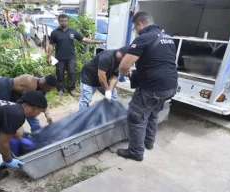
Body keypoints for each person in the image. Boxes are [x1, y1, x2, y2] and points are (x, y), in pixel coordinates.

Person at [116, 11, 178, 161]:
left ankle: (136, 152)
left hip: (153, 88)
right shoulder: (168, 38)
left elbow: (124, 65)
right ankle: (149, 142)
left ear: (140, 24)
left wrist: (123, 75)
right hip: (170, 86)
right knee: (152, 113)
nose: (136, 31)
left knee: (136, 115)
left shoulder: (143, 38)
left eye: (135, 27)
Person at [48, 14, 104, 97]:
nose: (64, 23)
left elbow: (84, 39)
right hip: (59, 58)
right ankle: (60, 89)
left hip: (71, 57)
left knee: (72, 73)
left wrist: (96, 42)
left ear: (68, 21)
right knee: (60, 73)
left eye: (65, 21)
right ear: (59, 21)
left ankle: (71, 89)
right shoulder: (54, 33)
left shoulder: (72, 32)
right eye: (62, 21)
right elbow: (51, 45)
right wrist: (49, 56)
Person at [79, 46, 128, 111]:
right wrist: (107, 90)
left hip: (103, 79)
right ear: (122, 55)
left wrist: (110, 91)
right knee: (86, 99)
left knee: (113, 96)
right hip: (89, 78)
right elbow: (101, 75)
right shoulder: (106, 56)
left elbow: (115, 77)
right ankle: (82, 116)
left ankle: (112, 114)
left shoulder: (121, 61)